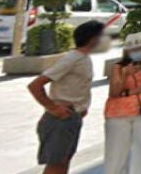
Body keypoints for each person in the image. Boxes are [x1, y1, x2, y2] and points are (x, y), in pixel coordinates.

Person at [27, 21, 105, 174]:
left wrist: (82, 107)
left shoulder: (83, 58)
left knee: (64, 161)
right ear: (93, 38)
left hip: (73, 117)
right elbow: (35, 85)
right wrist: (54, 108)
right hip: (61, 120)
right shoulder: (72, 59)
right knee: (56, 164)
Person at [103, 32, 141, 174]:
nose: (136, 51)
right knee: (116, 154)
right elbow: (114, 92)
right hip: (118, 113)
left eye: (139, 48)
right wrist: (125, 74)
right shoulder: (118, 66)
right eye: (133, 49)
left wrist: (129, 92)